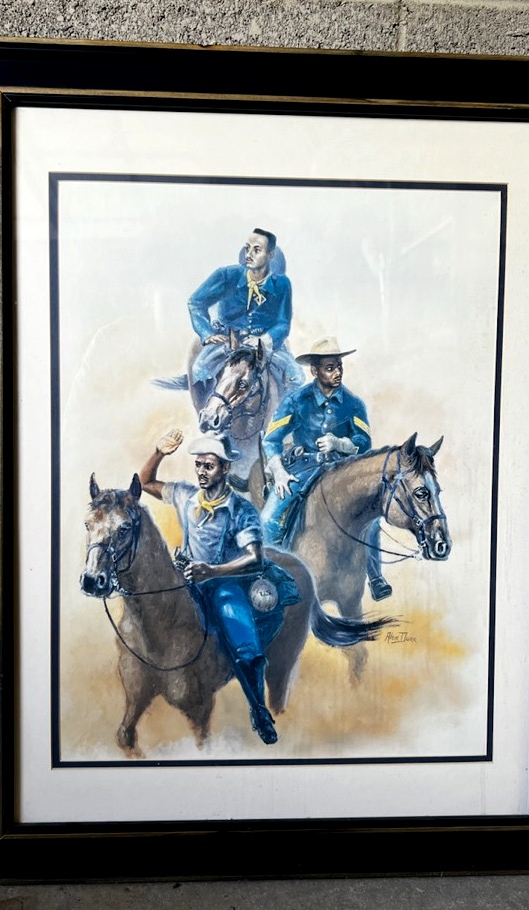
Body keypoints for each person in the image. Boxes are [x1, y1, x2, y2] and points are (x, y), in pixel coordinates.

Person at [139, 428, 297, 744]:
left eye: (208, 466)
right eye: (198, 465)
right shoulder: (184, 495)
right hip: (186, 580)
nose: (201, 472)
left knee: (246, 648)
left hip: (224, 585)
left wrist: (212, 571)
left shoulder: (241, 510)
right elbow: (144, 482)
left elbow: (254, 558)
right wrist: (158, 452)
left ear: (225, 468)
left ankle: (259, 710)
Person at [260, 336, 393, 601]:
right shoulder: (297, 400)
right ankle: (271, 577)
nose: (337, 372)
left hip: (344, 470)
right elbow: (271, 440)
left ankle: (375, 577)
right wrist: (279, 471)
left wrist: (341, 444)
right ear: (315, 370)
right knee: (269, 519)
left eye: (339, 366)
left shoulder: (354, 404)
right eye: (330, 367)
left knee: (371, 517)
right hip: (304, 467)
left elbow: (364, 442)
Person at [187, 228, 305, 401]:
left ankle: (281, 415)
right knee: (199, 369)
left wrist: (264, 339)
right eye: (247, 248)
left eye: (256, 250)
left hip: (264, 343)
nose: (249, 254)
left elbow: (283, 323)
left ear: (270, 255)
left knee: (297, 378)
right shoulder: (227, 275)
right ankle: (210, 413)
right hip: (228, 340)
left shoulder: (282, 284)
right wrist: (207, 333)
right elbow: (196, 302)